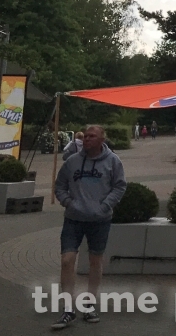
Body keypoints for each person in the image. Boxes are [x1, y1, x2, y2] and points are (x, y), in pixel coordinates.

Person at [52, 125, 127, 330]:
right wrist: (68, 202)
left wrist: (105, 206)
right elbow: (59, 185)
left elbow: (120, 186)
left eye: (92, 136)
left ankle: (90, 304)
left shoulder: (113, 162)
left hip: (100, 220)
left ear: (102, 139)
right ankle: (68, 309)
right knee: (67, 261)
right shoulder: (72, 162)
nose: (87, 139)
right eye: (85, 136)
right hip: (73, 219)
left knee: (95, 261)